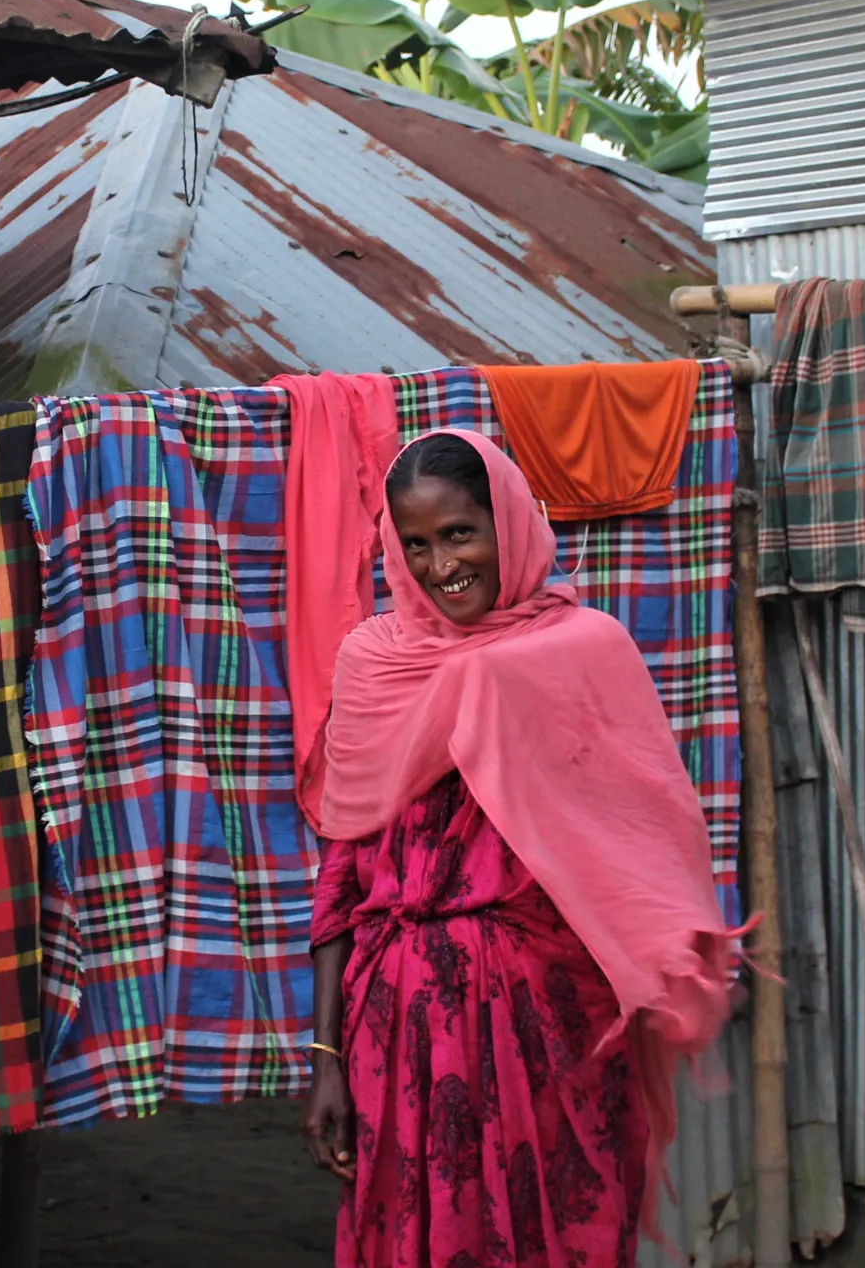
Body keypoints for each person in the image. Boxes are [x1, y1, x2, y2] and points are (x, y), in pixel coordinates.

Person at [299, 430, 738, 1268]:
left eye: (460, 533)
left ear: (509, 523)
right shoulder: (373, 663)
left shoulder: (583, 652)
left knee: (553, 1238)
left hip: (548, 1023)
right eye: (416, 544)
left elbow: (646, 840)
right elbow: (345, 869)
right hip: (396, 1032)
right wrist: (325, 1057)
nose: (440, 566)